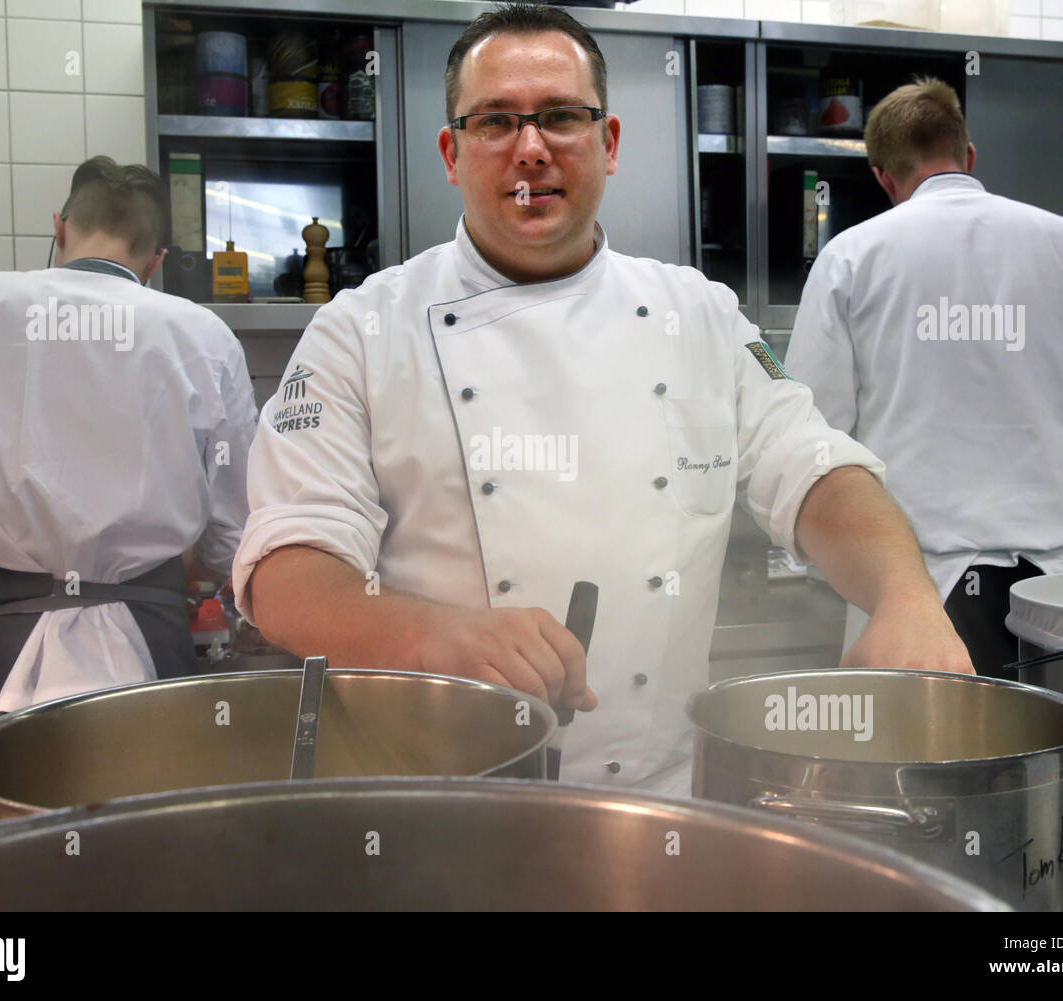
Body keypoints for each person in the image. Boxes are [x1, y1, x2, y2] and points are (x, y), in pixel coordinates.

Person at [232, 2, 973, 798]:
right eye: (494, 123)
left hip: (655, 805)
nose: (530, 149)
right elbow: (286, 568)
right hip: (436, 804)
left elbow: (814, 466)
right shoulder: (363, 330)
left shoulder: (700, 314)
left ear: (608, 142)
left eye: (560, 117)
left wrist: (905, 596)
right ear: (451, 153)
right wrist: (426, 633)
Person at [0, 156, 258, 827]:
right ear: (156, 257)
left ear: (59, 226)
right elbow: (237, 525)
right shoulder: (204, 337)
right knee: (162, 865)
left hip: (0, 651)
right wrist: (187, 574)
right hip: (154, 646)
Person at [783, 77, 1063, 676]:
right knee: (1054, 763)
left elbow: (816, 439)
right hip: (1055, 599)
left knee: (915, 763)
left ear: (885, 177)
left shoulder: (851, 257)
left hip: (911, 595)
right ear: (968, 155)